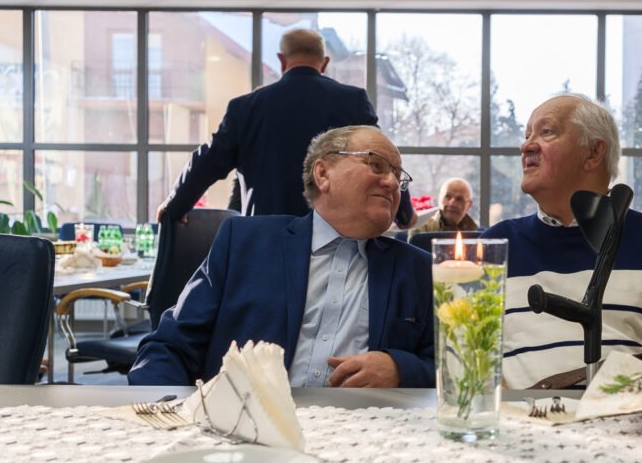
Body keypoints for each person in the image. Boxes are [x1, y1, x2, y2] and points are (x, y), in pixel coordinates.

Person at [129, 126, 434, 388]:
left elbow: (453, 363)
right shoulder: (245, 243)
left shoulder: (418, 269)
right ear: (323, 174)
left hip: (366, 429)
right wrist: (164, 414)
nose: (392, 183)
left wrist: (400, 369)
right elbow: (170, 346)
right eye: (376, 165)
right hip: (247, 426)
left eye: (398, 176)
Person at [482, 94, 642, 389]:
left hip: (636, 410)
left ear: (594, 153)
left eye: (546, 132)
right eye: (527, 134)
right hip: (524, 413)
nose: (526, 146)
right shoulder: (493, 247)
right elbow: (462, 357)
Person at [157, 28, 378, 222]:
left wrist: (174, 206)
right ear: (325, 63)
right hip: (333, 236)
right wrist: (397, 218)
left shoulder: (245, 107)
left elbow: (208, 161)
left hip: (264, 237)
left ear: (281, 60)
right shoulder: (353, 102)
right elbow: (380, 159)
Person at [409, 177, 478, 235]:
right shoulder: (420, 231)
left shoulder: (477, 235)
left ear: (469, 205)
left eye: (459, 199)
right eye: (447, 196)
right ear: (439, 198)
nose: (452, 203)